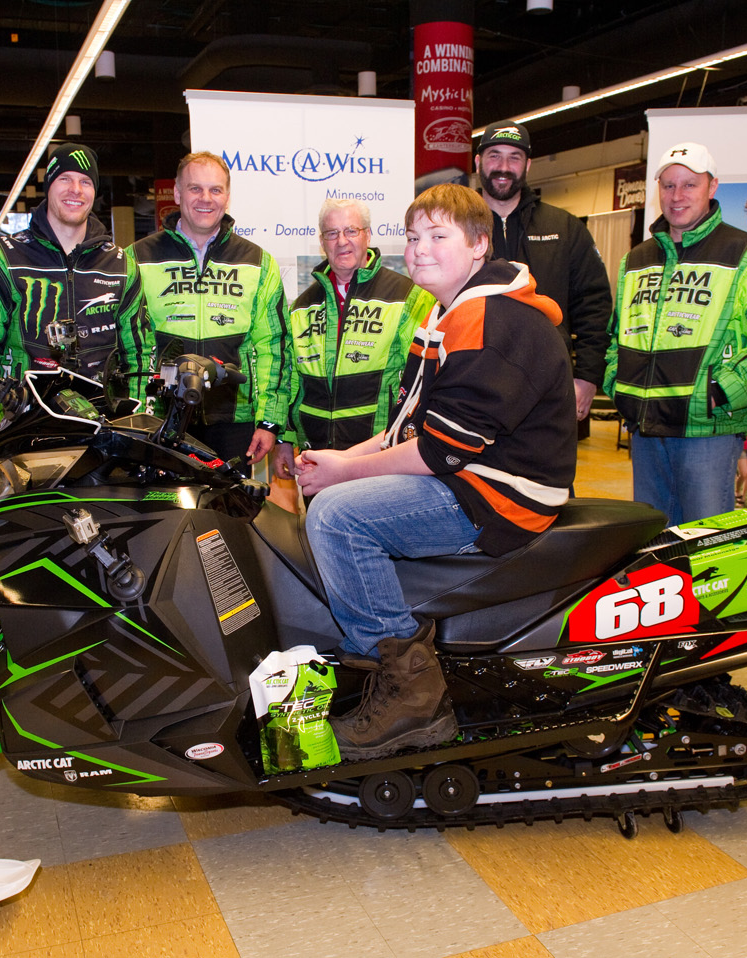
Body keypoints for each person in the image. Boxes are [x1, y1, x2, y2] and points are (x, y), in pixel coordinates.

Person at [296, 184, 576, 760]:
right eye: (414, 236)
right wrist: (346, 458)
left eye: (438, 236)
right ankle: (382, 667)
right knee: (333, 496)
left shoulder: (490, 319)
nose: (420, 249)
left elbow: (441, 451)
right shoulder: (449, 314)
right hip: (470, 474)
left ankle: (411, 697)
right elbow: (409, 425)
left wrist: (343, 479)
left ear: (479, 246)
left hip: (499, 495)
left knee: (336, 518)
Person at [603, 141, 747, 526]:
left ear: (712, 187)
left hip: (707, 431)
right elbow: (616, 336)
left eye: (689, 185)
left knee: (705, 551)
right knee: (654, 550)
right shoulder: (636, 258)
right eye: (669, 185)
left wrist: (725, 390)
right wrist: (618, 382)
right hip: (646, 429)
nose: (677, 196)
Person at [0, 141, 149, 442]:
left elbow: (140, 352)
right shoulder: (2, 259)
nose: (76, 189)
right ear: (48, 186)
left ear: (94, 192)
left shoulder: (121, 264)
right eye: (65, 179)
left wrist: (140, 426)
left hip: (103, 433)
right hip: (25, 431)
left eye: (86, 181)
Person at [129, 151, 289, 470]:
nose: (206, 198)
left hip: (235, 422)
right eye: (195, 188)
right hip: (161, 417)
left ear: (227, 197)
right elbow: (131, 344)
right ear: (177, 193)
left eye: (215, 190)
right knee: (166, 513)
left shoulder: (258, 261)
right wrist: (134, 416)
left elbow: (274, 346)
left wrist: (270, 422)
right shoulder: (138, 257)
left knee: (231, 515)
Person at [273, 199, 434, 483]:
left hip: (380, 456)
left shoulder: (409, 295)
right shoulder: (301, 305)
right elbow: (289, 379)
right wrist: (284, 439)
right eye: (332, 233)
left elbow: (423, 379)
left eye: (351, 231)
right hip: (316, 457)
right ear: (322, 242)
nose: (342, 241)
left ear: (368, 235)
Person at [474, 121, 613, 421]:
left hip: (549, 386)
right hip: (471, 380)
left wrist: (588, 378)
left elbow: (594, 307)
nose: (504, 166)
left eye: (515, 157)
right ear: (478, 162)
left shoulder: (565, 228)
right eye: (494, 155)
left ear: (528, 165)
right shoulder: (456, 228)